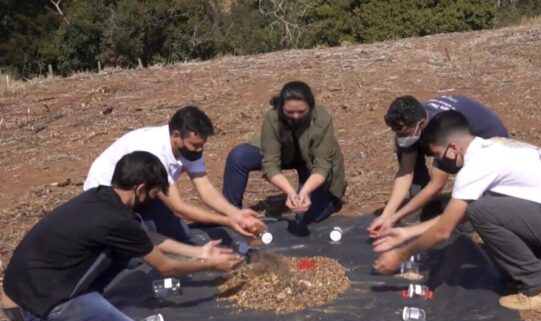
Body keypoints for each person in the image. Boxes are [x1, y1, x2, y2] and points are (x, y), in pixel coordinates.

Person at [0, 152, 243, 321]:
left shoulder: (103, 197)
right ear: (140, 189)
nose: (155, 199)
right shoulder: (116, 221)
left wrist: (198, 252)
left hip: (23, 290)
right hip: (35, 309)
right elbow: (166, 267)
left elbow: (141, 239)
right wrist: (209, 264)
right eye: (155, 193)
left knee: (126, 254)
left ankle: (84, 311)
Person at [373, 111, 541, 311]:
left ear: (454, 148)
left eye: (438, 155)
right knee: (513, 265)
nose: (440, 163)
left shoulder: (477, 166)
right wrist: (407, 233)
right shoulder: (494, 147)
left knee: (483, 212)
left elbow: (444, 231)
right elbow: (457, 215)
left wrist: (400, 255)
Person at [84, 106, 265, 243]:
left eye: (202, 144)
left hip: (144, 194)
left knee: (180, 237)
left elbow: (205, 187)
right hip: (108, 198)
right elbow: (178, 207)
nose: (199, 150)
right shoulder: (153, 150)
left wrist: (236, 214)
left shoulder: (189, 149)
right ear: (176, 135)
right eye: (195, 145)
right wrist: (227, 221)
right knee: (139, 249)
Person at [368, 95, 509, 238]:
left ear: (421, 123)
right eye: (396, 132)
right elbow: (405, 172)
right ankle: (422, 208)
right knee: (407, 149)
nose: (400, 137)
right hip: (443, 138)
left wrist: (395, 217)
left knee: (464, 222)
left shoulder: (443, 129)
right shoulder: (410, 120)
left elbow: (436, 185)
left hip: (490, 146)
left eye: (404, 133)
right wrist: (387, 215)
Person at [222, 81, 346, 230]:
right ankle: (231, 214)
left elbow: (322, 166)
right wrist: (290, 192)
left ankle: (331, 200)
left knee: (304, 218)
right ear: (281, 107)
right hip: (285, 154)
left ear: (311, 106)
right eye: (289, 112)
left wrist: (304, 193)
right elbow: (270, 164)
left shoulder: (322, 118)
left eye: (301, 112)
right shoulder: (272, 117)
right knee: (239, 156)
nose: (295, 117)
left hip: (311, 163)